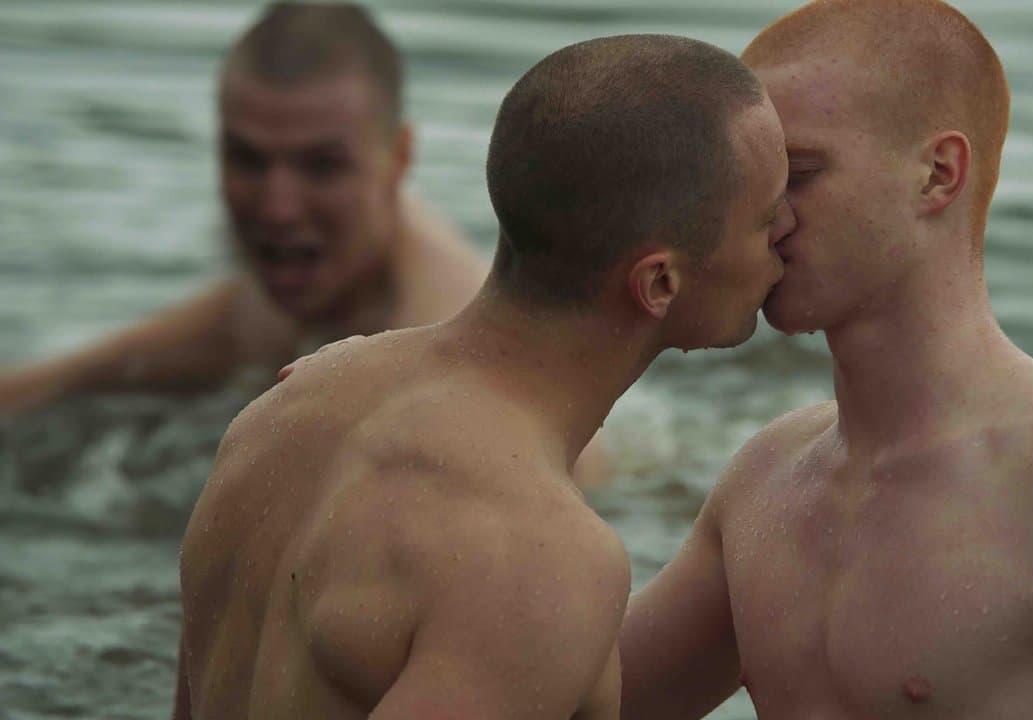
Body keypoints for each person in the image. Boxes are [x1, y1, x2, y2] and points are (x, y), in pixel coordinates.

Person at [619, 1, 1033, 718]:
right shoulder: (765, 482)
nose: (765, 221)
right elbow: (577, 702)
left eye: (799, 175)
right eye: (750, 190)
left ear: (938, 173)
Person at [172, 32, 793, 720]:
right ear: (659, 282)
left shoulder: (279, 411)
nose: (791, 230)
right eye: (767, 219)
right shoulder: (539, 557)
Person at [0, 2, 607, 485]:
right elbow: (65, 381)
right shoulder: (294, 284)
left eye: (322, 166)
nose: (277, 208)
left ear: (398, 159)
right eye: (248, 159)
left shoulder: (440, 349)